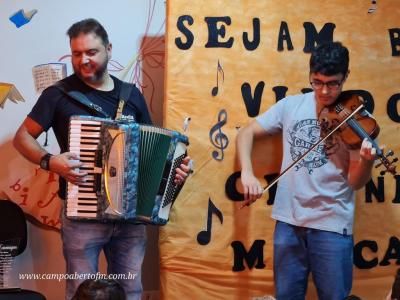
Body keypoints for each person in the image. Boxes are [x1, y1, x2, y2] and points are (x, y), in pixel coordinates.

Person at [13, 18, 190, 300]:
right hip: (83, 215)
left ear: (108, 49)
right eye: (77, 53)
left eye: (91, 52)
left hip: (130, 216)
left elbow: (155, 152)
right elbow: (22, 137)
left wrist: (174, 173)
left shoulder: (132, 96)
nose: (83, 60)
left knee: (131, 289)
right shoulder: (58, 95)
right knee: (80, 291)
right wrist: (51, 161)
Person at [236, 42, 377, 299]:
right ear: (310, 75)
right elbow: (246, 133)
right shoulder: (291, 106)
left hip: (332, 223)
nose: (324, 91)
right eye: (317, 82)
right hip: (288, 222)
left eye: (333, 83)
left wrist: (366, 161)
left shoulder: (356, 120)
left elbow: (356, 182)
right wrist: (247, 172)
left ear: (346, 77)